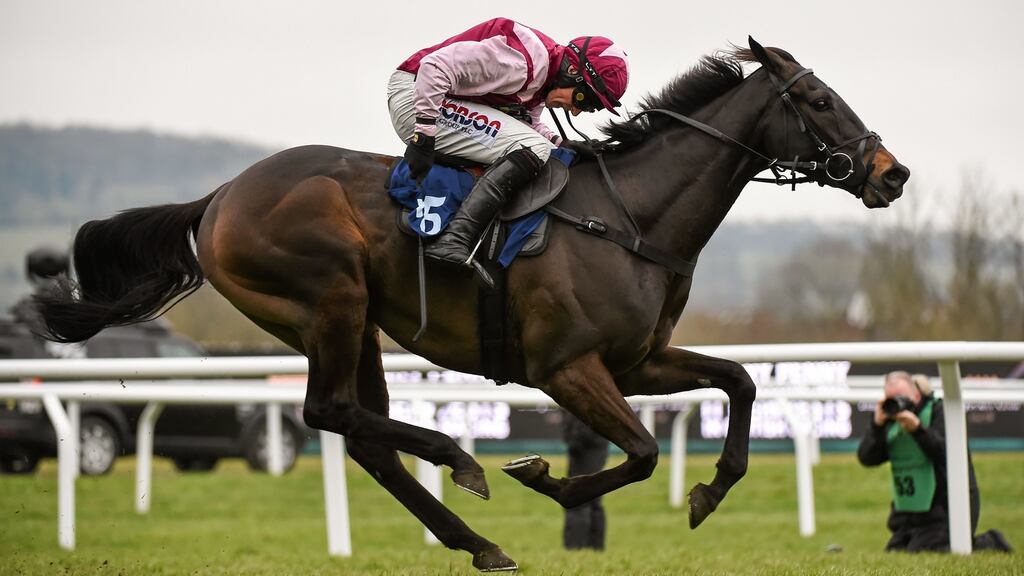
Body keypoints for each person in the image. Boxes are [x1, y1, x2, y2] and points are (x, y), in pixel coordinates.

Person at [388, 17, 629, 277]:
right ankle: (455, 239)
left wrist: (564, 144)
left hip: (434, 98)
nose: (577, 110)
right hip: (418, 95)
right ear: (572, 71)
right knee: (535, 149)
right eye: (584, 98)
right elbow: (433, 68)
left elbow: (529, 125)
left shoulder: (541, 78)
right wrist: (423, 135)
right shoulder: (521, 63)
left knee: (539, 146)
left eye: (590, 107)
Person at [857, 371, 1012, 553]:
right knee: (897, 552)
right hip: (909, 515)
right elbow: (867, 458)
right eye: (890, 398)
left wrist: (917, 429)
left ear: (915, 395)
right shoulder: (887, 419)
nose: (896, 404)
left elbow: (947, 453)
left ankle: (991, 542)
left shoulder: (940, 411)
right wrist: (876, 426)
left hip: (946, 507)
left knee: (930, 550)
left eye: (901, 397)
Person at [561, 410, 609, 550]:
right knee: (594, 498)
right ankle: (595, 547)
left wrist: (574, 440)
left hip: (585, 444)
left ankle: (576, 548)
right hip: (597, 442)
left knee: (578, 497)